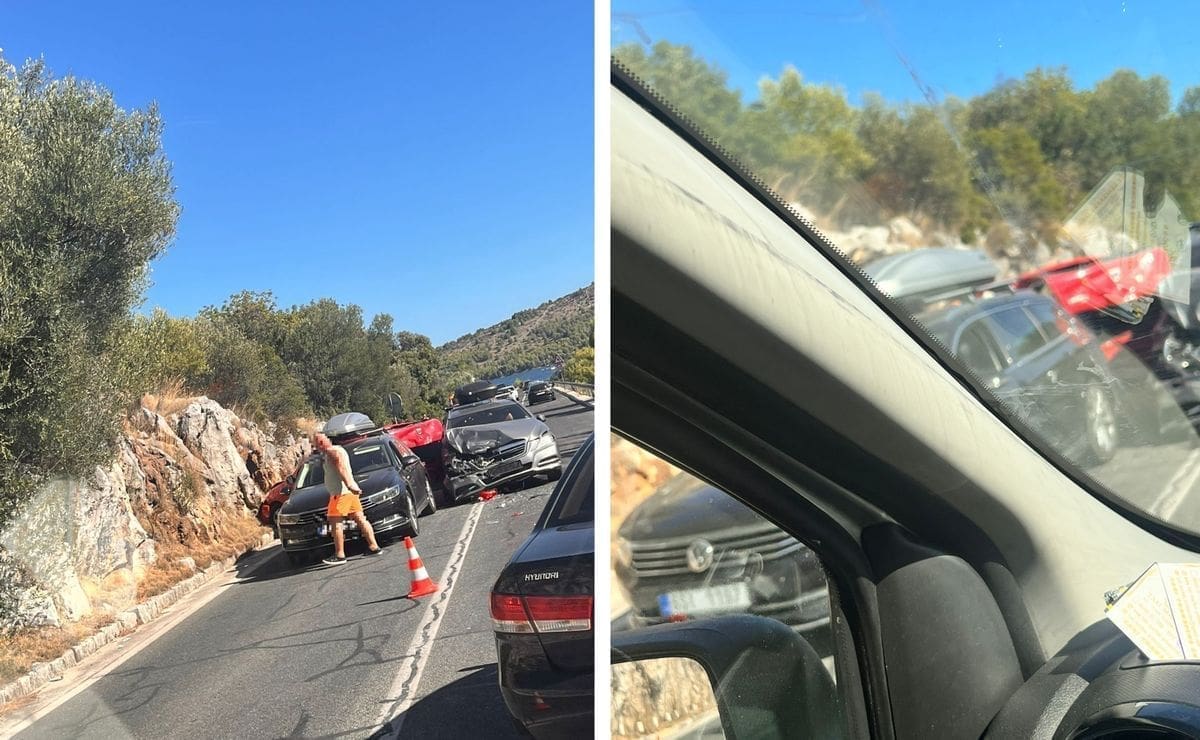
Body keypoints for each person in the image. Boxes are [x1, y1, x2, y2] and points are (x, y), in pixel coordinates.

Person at [313, 432, 382, 565]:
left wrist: (350, 484)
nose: (316, 446)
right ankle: (374, 546)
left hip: (340, 494)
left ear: (322, 442)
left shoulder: (332, 452)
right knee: (361, 519)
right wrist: (352, 487)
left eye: (317, 443)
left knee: (336, 524)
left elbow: (341, 468)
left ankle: (340, 555)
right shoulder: (337, 450)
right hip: (348, 493)